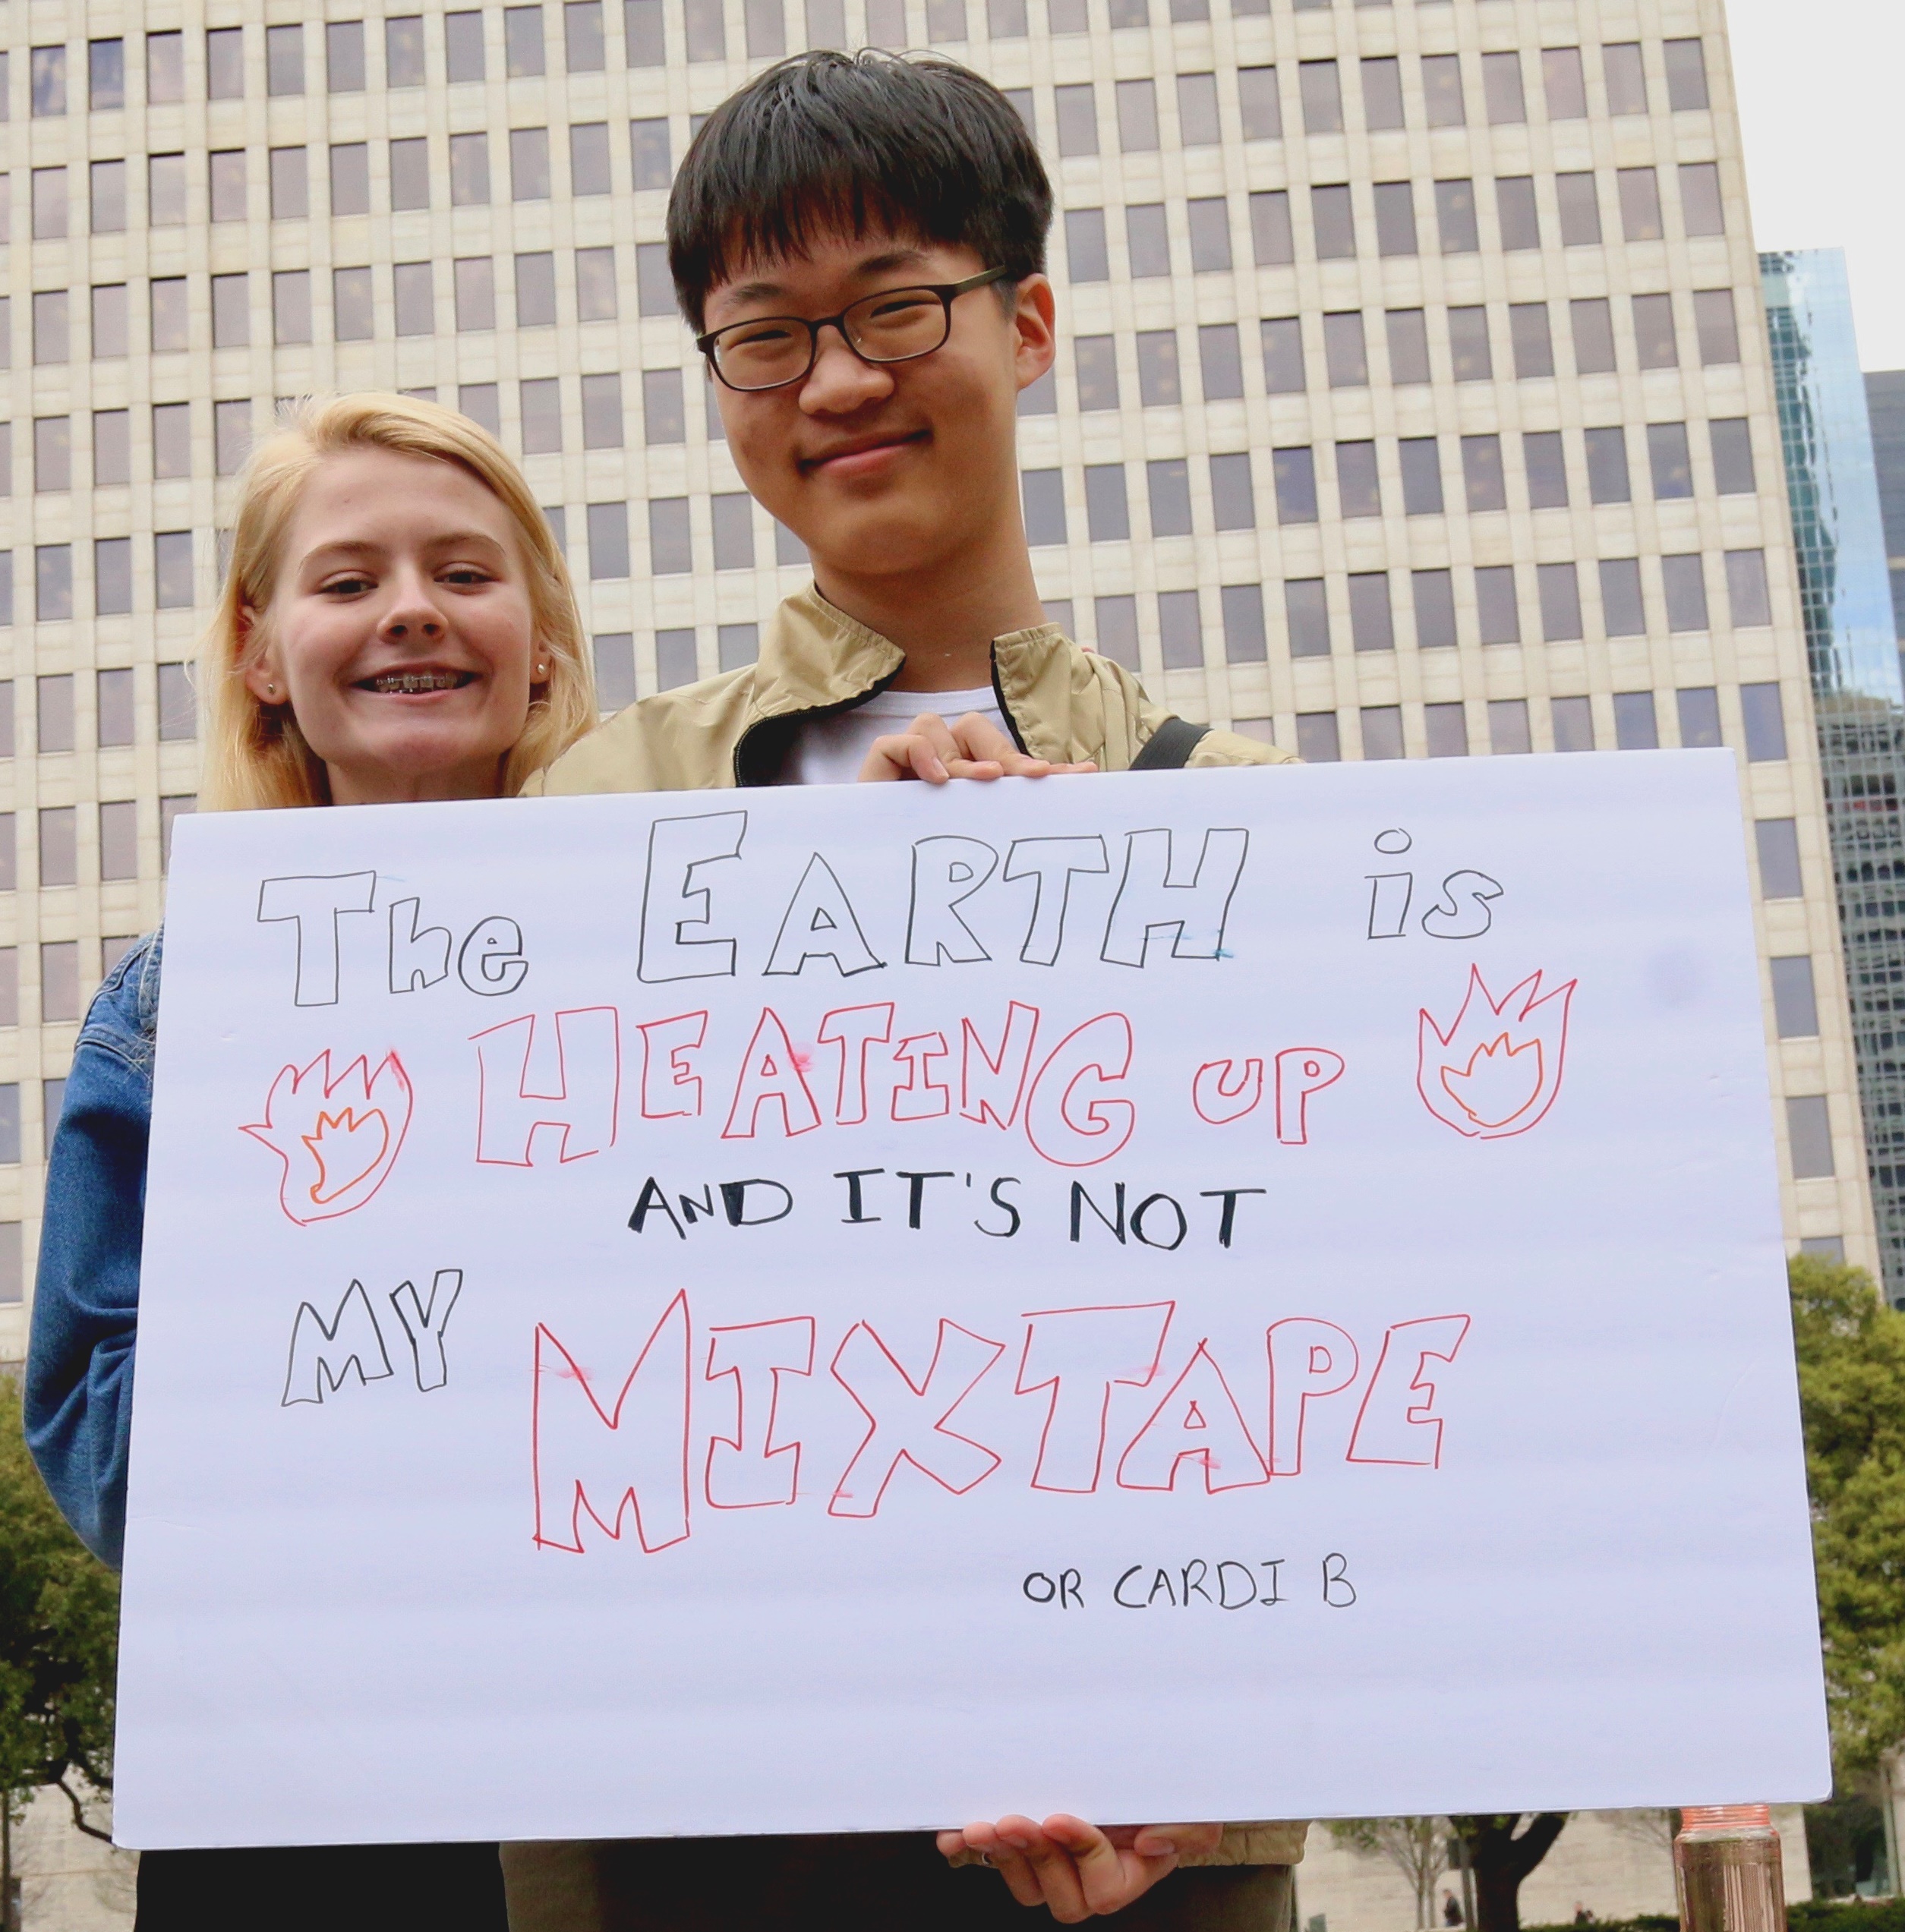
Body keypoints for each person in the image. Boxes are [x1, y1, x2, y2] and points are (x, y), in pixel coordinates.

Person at [511, 48, 1304, 1932]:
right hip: (686, 1840)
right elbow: (520, 1313)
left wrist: (1241, 1757)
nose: (838, 379)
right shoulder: (596, 808)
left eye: (894, 307)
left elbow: (1351, 1390)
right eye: (765, 334)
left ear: (1024, 324)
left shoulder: (1253, 824)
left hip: (1137, 1859)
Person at [24, 392, 599, 1932]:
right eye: (348, 581)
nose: (411, 609)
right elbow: (85, 1403)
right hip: (306, 1785)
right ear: (262, 653)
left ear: (542, 637)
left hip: (628, 1753)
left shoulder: (682, 945)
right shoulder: (180, 999)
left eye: (464, 573)